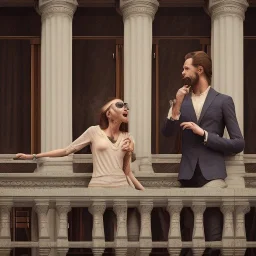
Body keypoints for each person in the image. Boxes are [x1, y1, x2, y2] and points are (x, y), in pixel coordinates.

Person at [162, 51, 244, 255]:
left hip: (213, 176)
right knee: (188, 237)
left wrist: (205, 134)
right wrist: (177, 106)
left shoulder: (223, 101)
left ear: (200, 70)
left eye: (186, 68)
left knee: (214, 235)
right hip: (188, 176)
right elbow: (167, 133)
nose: (183, 72)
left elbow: (238, 143)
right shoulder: (181, 100)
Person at [15, 98, 144, 190]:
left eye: (126, 105)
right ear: (109, 113)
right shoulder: (93, 131)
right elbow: (66, 151)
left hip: (121, 186)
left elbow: (127, 172)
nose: (126, 107)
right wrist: (33, 156)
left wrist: (130, 152)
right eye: (120, 105)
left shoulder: (128, 138)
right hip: (98, 186)